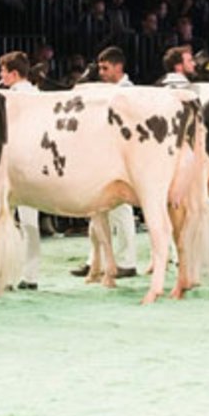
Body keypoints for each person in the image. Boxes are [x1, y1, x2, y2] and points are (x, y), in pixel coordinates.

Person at [72, 46, 137, 278]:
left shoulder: (129, 91)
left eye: (105, 68)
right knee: (97, 210)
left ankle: (127, 262)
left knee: (121, 211)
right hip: (103, 156)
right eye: (99, 68)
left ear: (119, 67)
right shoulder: (105, 90)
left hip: (121, 158)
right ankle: (95, 262)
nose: (101, 72)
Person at [0, 51, 41, 290]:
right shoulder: (38, 94)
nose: (0, 75)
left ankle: (5, 275)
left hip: (12, 162)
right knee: (29, 221)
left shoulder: (7, 97)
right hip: (35, 163)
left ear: (14, 74)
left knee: (5, 219)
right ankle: (30, 275)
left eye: (3, 71)